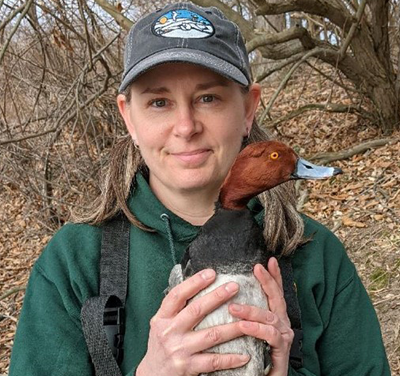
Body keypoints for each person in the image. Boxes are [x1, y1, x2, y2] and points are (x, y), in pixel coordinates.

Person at [9, 2, 390, 376]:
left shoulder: (315, 253)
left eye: (208, 98)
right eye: (159, 102)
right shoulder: (73, 263)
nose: (186, 126)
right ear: (129, 117)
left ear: (248, 108)